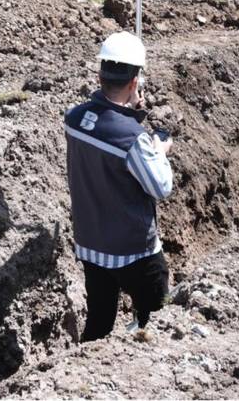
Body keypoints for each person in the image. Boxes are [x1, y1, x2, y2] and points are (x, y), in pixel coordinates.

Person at [64, 31, 174, 342]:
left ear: (100, 75)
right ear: (134, 81)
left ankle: (82, 370)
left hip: (91, 245)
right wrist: (158, 151)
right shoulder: (131, 139)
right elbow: (161, 187)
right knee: (158, 316)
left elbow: (100, 139)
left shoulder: (73, 118)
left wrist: (131, 113)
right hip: (134, 252)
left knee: (99, 323)